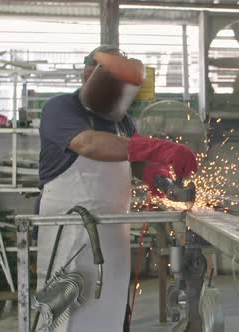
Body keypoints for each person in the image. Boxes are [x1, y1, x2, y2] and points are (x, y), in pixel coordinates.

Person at [36, 45, 197, 332]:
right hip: (70, 230)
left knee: (110, 308)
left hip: (113, 230)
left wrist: (163, 183)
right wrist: (159, 147)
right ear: (88, 74)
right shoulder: (60, 108)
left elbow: (136, 161)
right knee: (67, 313)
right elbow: (89, 144)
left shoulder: (122, 121)